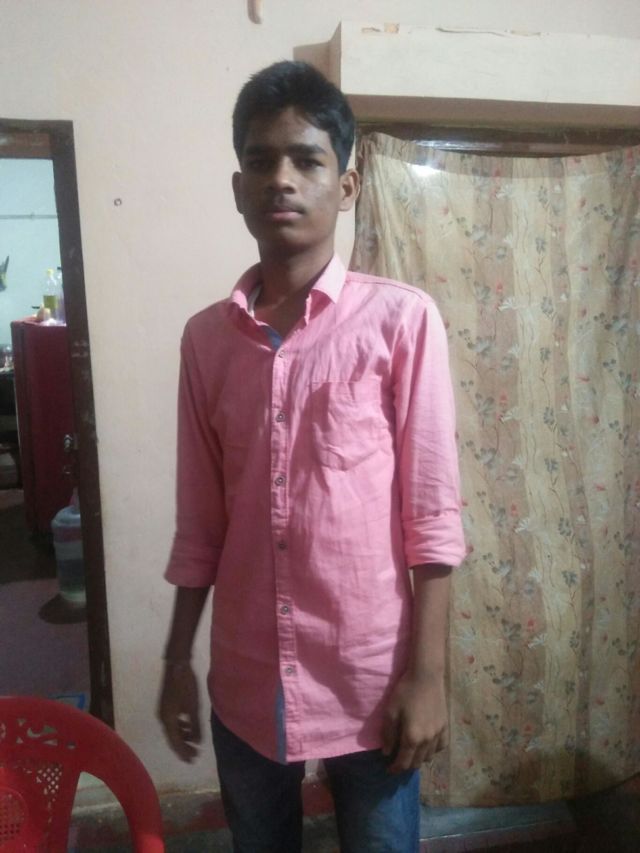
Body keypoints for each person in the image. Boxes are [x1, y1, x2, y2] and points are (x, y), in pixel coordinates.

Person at [158, 60, 465, 853]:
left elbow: (432, 518)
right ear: (238, 189)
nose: (282, 179)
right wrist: (175, 658)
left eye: (307, 159)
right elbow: (201, 521)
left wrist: (429, 675)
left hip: (372, 677)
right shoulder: (205, 341)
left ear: (347, 184)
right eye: (261, 161)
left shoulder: (401, 323)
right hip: (246, 676)